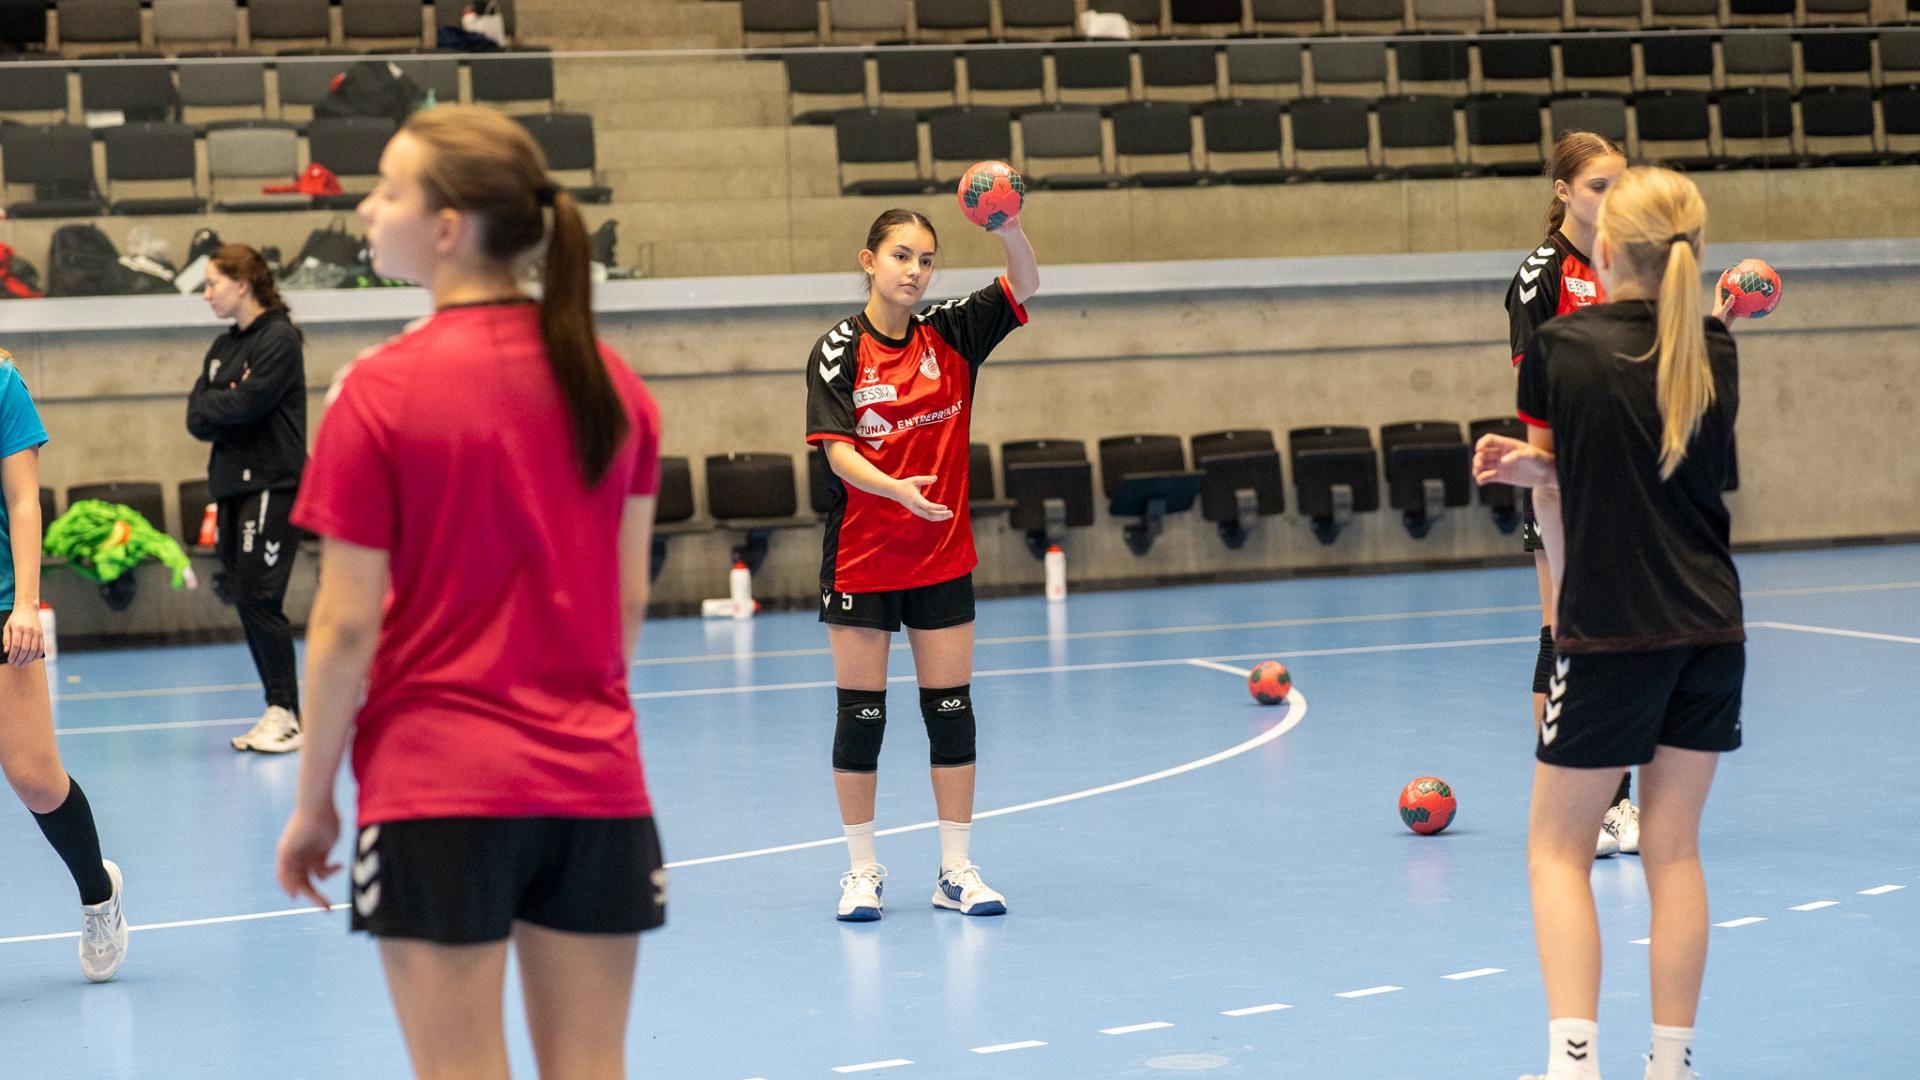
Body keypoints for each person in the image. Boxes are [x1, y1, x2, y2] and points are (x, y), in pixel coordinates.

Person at [274, 105, 664, 1079]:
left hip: (436, 793)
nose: (367, 207)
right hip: (596, 787)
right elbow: (626, 606)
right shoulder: (614, 385)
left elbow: (344, 625)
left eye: (388, 189)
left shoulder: (378, 391)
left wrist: (314, 803)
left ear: (447, 227)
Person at [1474, 166, 1744, 1080]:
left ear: (1607, 245)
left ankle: (1573, 1065)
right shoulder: (1714, 348)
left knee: (1557, 852)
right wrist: (1541, 467)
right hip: (1712, 627)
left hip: (1611, 628)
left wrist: (1535, 480)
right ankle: (1671, 1066)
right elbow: (1659, 469)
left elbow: (1562, 497)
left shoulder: (1560, 346)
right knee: (1674, 850)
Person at [805, 207, 1038, 922]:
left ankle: (955, 871)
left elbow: (1025, 283)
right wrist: (896, 490)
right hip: (863, 559)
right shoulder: (839, 349)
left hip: (941, 557)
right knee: (861, 717)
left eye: (927, 259)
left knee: (951, 713)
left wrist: (1009, 229)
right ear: (868, 261)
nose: (914, 271)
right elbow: (838, 453)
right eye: (901, 255)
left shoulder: (952, 332)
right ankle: (861, 873)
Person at [1504, 132, 1637, 858]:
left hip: (1624, 472)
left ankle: (1617, 802)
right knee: (1564, 630)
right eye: (1597, 186)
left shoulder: (1622, 263)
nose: (1612, 199)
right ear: (1563, 192)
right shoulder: (1542, 273)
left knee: (1620, 632)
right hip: (1560, 468)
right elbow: (1537, 381)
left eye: (1621, 184)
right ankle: (1582, 802)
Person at [0, 347, 127, 982]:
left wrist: (26, 603)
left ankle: (99, 895)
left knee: (36, 780)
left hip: (1, 605)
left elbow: (24, 500)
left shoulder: (3, 383)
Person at [188, 244, 309, 754]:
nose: (207, 294)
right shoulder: (222, 347)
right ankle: (277, 708)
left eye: (213, 283)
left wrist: (228, 402)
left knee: (261, 596)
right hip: (231, 486)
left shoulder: (279, 338)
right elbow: (197, 416)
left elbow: (249, 403)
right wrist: (228, 402)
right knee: (244, 595)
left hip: (270, 484)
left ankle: (288, 714)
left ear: (243, 284)